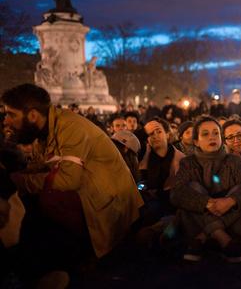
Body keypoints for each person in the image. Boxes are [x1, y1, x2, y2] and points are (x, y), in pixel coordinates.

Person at [2, 84, 143, 264]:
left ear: (32, 115)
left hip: (107, 199)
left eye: (11, 114)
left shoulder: (70, 127)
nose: (5, 121)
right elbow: (41, 165)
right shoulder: (46, 128)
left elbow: (68, 180)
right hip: (91, 189)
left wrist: (20, 181)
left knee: (47, 202)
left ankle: (77, 257)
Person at [171, 116, 241, 262]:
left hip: (234, 229)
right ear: (196, 141)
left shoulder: (234, 161)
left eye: (216, 133)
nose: (212, 137)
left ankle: (204, 236)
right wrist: (206, 203)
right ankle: (224, 240)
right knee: (192, 188)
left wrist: (231, 201)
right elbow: (176, 194)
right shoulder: (187, 163)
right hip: (198, 228)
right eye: (205, 134)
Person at [138, 117, 185, 226]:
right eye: (150, 133)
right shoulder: (143, 156)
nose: (155, 136)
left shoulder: (181, 159)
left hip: (172, 208)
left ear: (167, 134)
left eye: (159, 131)